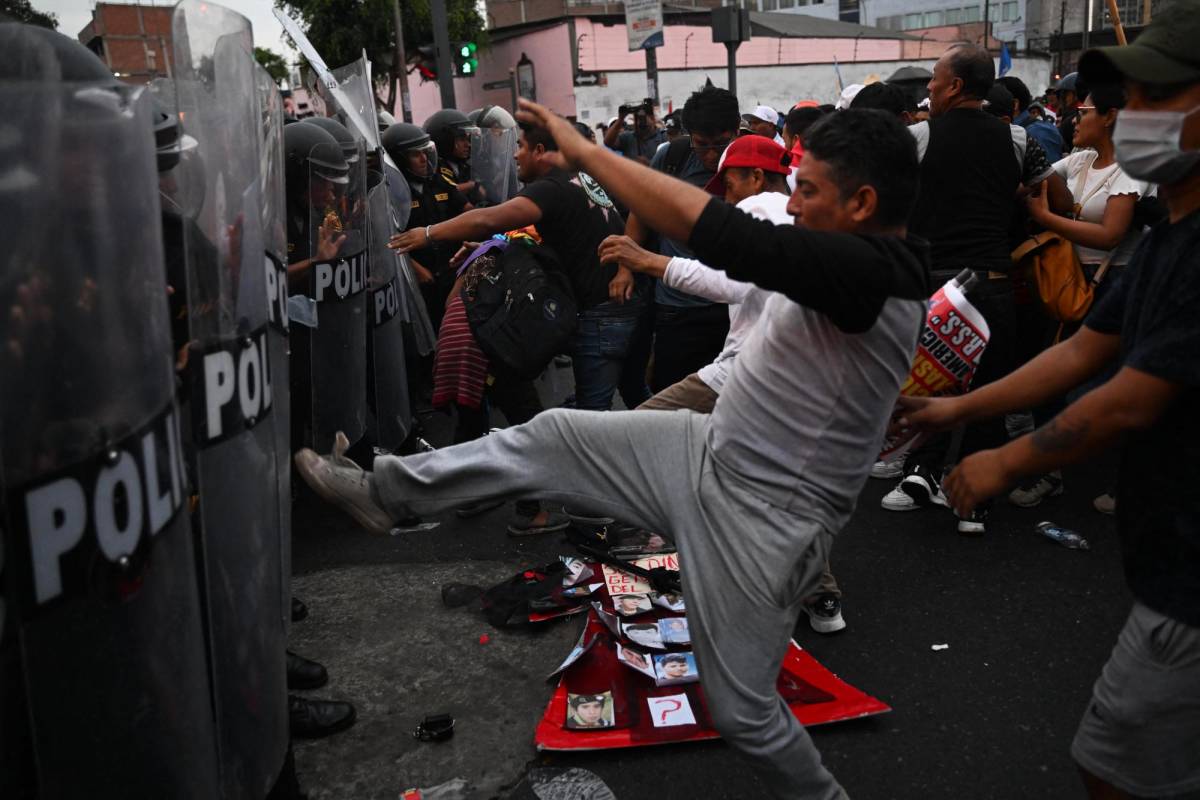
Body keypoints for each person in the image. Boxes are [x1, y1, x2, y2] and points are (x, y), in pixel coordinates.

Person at [294, 105, 930, 799]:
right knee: (552, 435)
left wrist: (587, 153)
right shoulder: (843, 258)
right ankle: (385, 493)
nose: (794, 204)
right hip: (708, 447)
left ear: (862, 202)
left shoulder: (875, 274)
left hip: (763, 517)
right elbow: (738, 270)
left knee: (743, 713)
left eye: (808, 190)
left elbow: (722, 235)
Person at [894, 9, 1200, 796]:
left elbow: (1128, 399)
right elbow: (1080, 352)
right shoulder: (1168, 238)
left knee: (1113, 761)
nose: (1129, 116)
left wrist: (1006, 460)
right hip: (1170, 558)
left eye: (1156, 98)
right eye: (1127, 98)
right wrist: (954, 412)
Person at [598, 134, 848, 634]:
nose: (726, 196)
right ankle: (819, 595)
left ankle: (686, 547)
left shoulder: (760, 209)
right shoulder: (807, 216)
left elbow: (731, 282)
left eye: (729, 183)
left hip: (748, 375)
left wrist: (651, 262)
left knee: (632, 432)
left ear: (756, 177)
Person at [884, 43, 1072, 536]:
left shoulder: (918, 137)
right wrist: (1016, 197)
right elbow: (1058, 196)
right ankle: (974, 502)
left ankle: (920, 474)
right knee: (989, 393)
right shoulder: (1017, 137)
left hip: (933, 284)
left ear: (955, 86)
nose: (928, 88)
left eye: (934, 79)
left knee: (925, 382)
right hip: (992, 282)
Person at [389, 122, 641, 413]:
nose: (515, 155)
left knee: (591, 415)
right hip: (624, 304)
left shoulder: (550, 189)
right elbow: (551, 240)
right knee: (636, 392)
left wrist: (428, 233)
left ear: (540, 151)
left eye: (521, 146)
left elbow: (488, 219)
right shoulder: (577, 178)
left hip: (602, 311)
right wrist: (489, 248)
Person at [1009, 82, 1151, 509]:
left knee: (1118, 387)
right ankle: (1049, 472)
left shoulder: (1132, 168)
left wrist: (1045, 216)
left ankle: (1131, 483)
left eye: (1084, 111)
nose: (1074, 118)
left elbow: (1110, 235)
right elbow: (1038, 180)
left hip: (1117, 286)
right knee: (1049, 379)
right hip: (1071, 282)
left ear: (1109, 117)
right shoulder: (1080, 160)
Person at [626, 85, 740, 393]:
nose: (711, 155)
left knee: (732, 397)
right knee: (672, 391)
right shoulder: (672, 158)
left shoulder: (752, 162)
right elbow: (641, 211)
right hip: (678, 306)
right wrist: (625, 268)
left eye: (721, 144)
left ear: (737, 130)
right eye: (702, 145)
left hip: (733, 306)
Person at [380, 122, 472, 334]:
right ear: (399, 160)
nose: (424, 159)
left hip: (451, 270)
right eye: (415, 155)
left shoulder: (439, 181)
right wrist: (414, 268)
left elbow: (466, 212)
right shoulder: (389, 193)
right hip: (418, 280)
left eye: (425, 152)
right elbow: (385, 238)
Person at [425, 109, 484, 206]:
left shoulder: (465, 166)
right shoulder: (434, 169)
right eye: (462, 139)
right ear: (445, 140)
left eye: (468, 139)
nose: (468, 144)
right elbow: (448, 191)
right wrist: (472, 185)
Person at [1001, 75, 1064, 162]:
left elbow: (1049, 168)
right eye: (1049, 93)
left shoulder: (1039, 132)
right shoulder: (1013, 129)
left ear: (1015, 104)